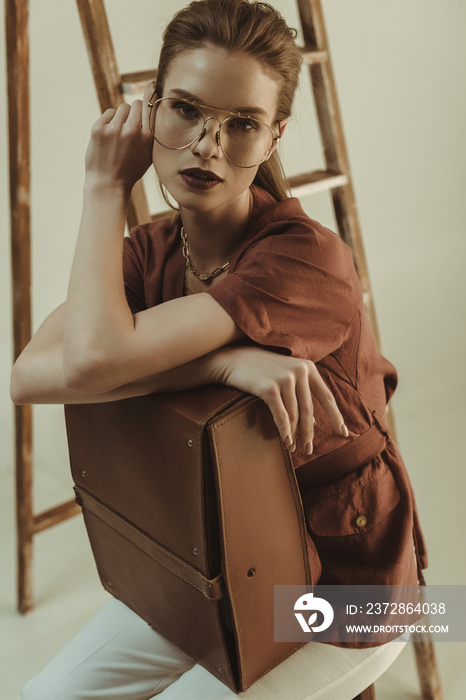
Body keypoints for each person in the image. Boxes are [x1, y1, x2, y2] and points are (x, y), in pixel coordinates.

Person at [12, 0, 428, 697]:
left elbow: (89, 365)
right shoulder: (149, 254)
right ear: (150, 114)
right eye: (186, 110)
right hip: (213, 565)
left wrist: (105, 182)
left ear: (274, 140)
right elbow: (30, 376)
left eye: (242, 124)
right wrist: (219, 362)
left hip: (352, 595)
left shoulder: (306, 261)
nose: (208, 143)